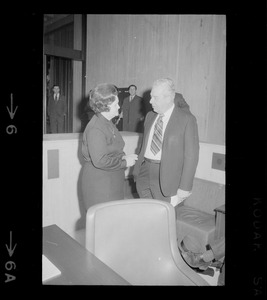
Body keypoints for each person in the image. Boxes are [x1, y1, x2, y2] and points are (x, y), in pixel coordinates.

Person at [133, 78, 199, 206]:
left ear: (169, 98)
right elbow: (143, 146)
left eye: (155, 98)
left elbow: (192, 156)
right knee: (146, 213)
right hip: (144, 173)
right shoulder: (150, 116)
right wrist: (137, 171)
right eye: (151, 97)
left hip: (167, 178)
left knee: (164, 219)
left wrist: (185, 187)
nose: (150, 101)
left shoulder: (187, 120)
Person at [81, 83, 138, 210]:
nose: (119, 106)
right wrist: (124, 162)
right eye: (115, 104)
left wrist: (124, 157)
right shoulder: (96, 128)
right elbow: (100, 160)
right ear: (105, 106)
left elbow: (113, 149)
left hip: (111, 181)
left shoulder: (107, 122)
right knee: (104, 224)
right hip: (101, 184)